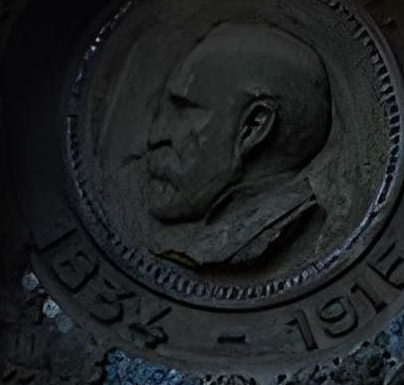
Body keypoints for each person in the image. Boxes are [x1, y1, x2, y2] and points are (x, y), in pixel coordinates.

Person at [140, 21, 332, 272]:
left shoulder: (276, 230)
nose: (155, 137)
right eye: (163, 113)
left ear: (253, 126)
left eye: (185, 110)